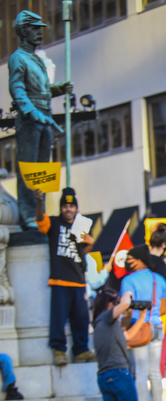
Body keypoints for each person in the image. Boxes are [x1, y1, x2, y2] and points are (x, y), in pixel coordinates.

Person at [9, 10, 72, 230]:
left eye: (40, 29)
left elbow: (42, 91)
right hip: (30, 120)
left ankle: (39, 212)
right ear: (23, 31)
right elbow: (17, 89)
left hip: (44, 117)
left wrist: (59, 89)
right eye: (35, 28)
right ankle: (28, 214)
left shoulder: (36, 58)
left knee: (42, 173)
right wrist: (30, 112)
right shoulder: (18, 58)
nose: (39, 33)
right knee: (29, 169)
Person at [91, 289, 161, 401]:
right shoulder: (107, 317)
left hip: (105, 378)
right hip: (120, 375)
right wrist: (127, 293)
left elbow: (128, 337)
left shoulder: (103, 325)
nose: (125, 309)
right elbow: (123, 304)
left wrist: (141, 317)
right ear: (109, 305)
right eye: (116, 303)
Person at [35, 187, 95, 366]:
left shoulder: (80, 226)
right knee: (59, 317)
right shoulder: (53, 223)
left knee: (82, 318)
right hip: (60, 279)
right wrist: (39, 201)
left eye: (71, 206)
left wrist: (88, 242)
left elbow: (87, 247)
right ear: (61, 208)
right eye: (65, 206)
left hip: (78, 280)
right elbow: (39, 220)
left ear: (76, 208)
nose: (68, 209)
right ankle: (59, 350)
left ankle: (81, 350)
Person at [120, 244, 166, 401]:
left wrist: (124, 331)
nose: (128, 263)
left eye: (130, 259)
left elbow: (126, 309)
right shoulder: (160, 280)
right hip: (156, 327)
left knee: (140, 372)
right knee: (155, 372)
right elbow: (163, 308)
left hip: (138, 328)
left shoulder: (128, 280)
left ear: (139, 260)